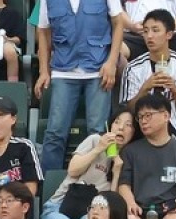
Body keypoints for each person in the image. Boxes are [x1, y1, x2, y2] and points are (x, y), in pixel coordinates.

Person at [34, 0, 124, 171]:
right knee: (55, 132)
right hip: (62, 69)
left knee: (98, 132)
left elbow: (118, 23)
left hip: (98, 69)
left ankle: (98, 181)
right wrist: (43, 70)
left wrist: (112, 62)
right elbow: (43, 31)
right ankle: (49, 185)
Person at [42, 108, 135, 219]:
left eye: (128, 125)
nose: (121, 128)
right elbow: (73, 170)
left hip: (92, 213)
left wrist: (117, 173)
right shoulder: (95, 140)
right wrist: (98, 149)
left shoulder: (128, 159)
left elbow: (111, 203)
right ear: (110, 125)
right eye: (117, 122)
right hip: (59, 207)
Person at [119, 9, 176, 144]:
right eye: (145, 31)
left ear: (169, 34)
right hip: (143, 137)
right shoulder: (133, 68)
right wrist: (145, 88)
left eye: (155, 30)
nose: (149, 36)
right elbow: (129, 111)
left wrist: (175, 90)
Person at [119, 0, 176, 75]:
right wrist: (131, 26)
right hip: (136, 35)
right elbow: (117, 10)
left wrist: (166, 27)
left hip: (172, 34)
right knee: (115, 50)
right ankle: (134, 89)